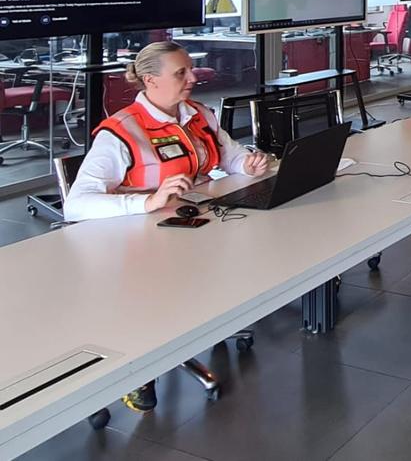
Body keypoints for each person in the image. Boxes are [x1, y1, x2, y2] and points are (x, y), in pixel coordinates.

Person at [64, 40, 270, 413]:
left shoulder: (198, 114)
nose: (193, 78)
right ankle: (138, 366)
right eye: (181, 73)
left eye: (189, 69)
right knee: (160, 293)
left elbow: (229, 155)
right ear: (150, 80)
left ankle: (193, 324)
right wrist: (146, 202)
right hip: (137, 245)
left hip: (196, 226)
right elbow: (76, 204)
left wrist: (248, 164)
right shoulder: (122, 131)